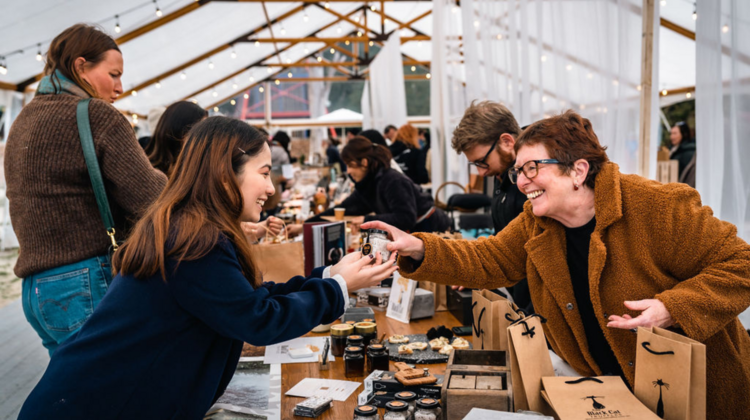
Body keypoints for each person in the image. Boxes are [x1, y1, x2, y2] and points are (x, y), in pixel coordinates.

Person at [363, 110, 750, 420]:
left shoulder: (656, 206)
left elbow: (741, 263)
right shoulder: (538, 221)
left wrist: (672, 308)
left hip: (701, 394)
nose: (520, 182)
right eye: (518, 171)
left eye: (533, 168)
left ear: (578, 171)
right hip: (613, 393)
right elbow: (489, 258)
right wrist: (418, 247)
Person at [18, 117, 397, 420]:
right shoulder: (195, 242)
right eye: (263, 173)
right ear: (223, 174)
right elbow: (257, 319)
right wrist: (338, 288)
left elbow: (245, 299)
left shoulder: (190, 228)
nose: (270, 187)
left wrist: (331, 278)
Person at [4, 24, 167, 355]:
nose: (120, 87)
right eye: (114, 74)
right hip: (84, 281)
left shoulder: (23, 120)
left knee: (76, 394)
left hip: (35, 290)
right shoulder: (96, 115)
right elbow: (151, 197)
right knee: (116, 392)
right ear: (81, 67)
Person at [451, 100, 532, 314]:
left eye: (482, 162)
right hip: (522, 305)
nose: (481, 173)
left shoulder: (532, 181)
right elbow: (504, 246)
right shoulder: (503, 171)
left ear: (506, 141)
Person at [308, 137, 450, 233]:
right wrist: (306, 226)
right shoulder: (368, 184)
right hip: (418, 232)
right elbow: (342, 210)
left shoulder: (392, 181)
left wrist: (367, 220)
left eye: (350, 165)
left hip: (433, 229)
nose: (349, 171)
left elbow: (406, 218)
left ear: (364, 162)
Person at [144, 100, 207, 175]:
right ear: (182, 133)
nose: (206, 138)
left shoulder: (195, 167)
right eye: (202, 132)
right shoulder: (152, 176)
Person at [669, 121, 696, 187]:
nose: (672, 137)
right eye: (671, 133)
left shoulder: (688, 152)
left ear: (683, 134)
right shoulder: (673, 150)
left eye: (675, 133)